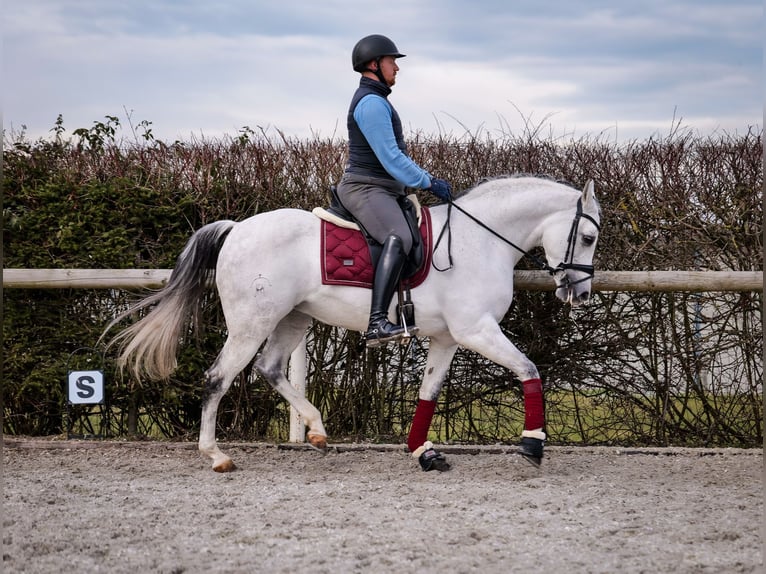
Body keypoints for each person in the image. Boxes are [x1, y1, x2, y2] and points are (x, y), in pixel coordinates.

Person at [336, 34, 452, 347]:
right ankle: (376, 323)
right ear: (374, 64)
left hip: (383, 190)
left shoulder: (378, 100)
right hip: (366, 188)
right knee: (398, 237)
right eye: (392, 62)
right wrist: (428, 181)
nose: (396, 69)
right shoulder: (372, 103)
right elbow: (391, 158)